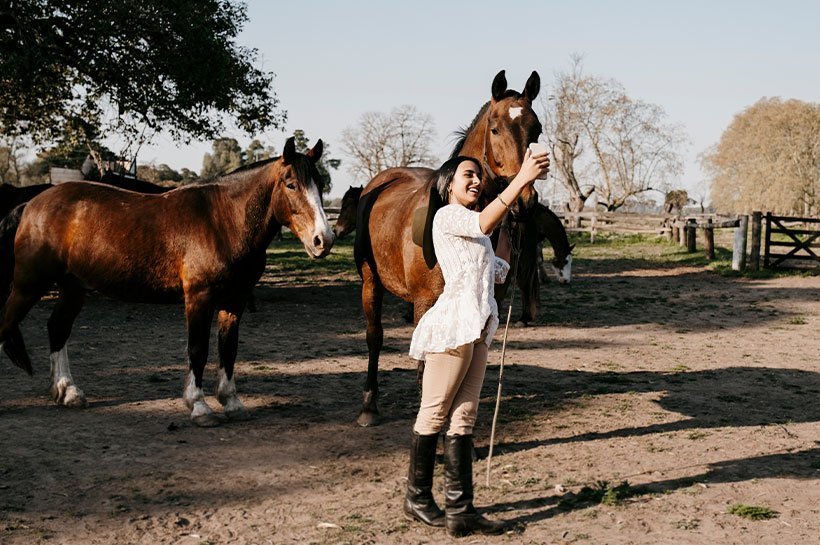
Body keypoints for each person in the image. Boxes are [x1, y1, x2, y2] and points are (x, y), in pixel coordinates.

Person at [403, 150, 549, 537]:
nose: (476, 181)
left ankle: (460, 509)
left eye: (479, 177)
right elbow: (483, 222)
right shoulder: (447, 216)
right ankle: (416, 498)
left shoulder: (475, 229)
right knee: (434, 412)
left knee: (464, 418)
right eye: (468, 175)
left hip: (479, 327)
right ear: (449, 183)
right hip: (453, 326)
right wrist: (521, 178)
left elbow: (498, 272)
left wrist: (512, 220)